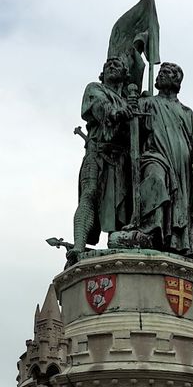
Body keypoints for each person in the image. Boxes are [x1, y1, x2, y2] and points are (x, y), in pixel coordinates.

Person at [135, 62, 193, 258]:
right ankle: (151, 231)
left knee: (180, 204)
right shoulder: (148, 103)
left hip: (182, 165)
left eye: (166, 73)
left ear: (176, 80)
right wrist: (134, 104)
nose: (160, 75)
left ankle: (175, 241)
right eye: (159, 72)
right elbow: (134, 126)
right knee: (155, 180)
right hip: (155, 154)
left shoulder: (186, 112)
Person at [70, 56, 134, 260]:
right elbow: (99, 108)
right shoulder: (95, 89)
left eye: (117, 66)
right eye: (108, 66)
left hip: (122, 158)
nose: (112, 67)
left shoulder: (130, 100)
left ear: (125, 74)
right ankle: (78, 246)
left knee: (124, 206)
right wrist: (118, 112)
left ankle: (120, 244)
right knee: (89, 194)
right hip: (97, 151)